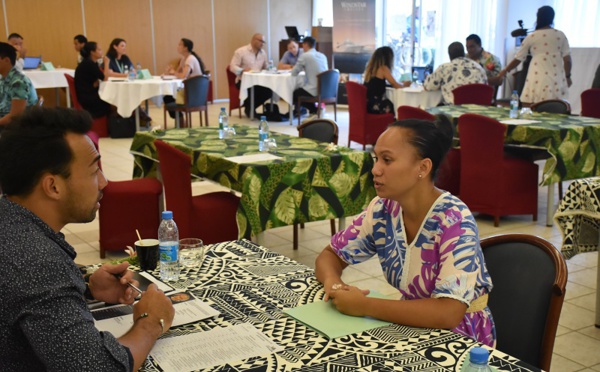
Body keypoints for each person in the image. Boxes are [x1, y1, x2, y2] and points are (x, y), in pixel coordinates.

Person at [0, 107, 175, 371]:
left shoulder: (11, 222)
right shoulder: (37, 260)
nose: (104, 182)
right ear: (53, 186)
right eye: (94, 171)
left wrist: (87, 287)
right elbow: (98, 367)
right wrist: (151, 323)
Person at [315, 116, 496, 347]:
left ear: (423, 167)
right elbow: (330, 255)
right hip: (410, 325)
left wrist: (365, 306)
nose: (376, 170)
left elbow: (449, 313)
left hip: (460, 338)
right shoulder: (383, 210)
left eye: (387, 160)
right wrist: (333, 283)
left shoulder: (453, 220)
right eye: (376, 158)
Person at [498, 6, 572, 104]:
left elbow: (518, 58)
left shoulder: (531, 37)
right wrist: (567, 76)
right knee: (556, 107)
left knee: (531, 106)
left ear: (538, 18)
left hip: (537, 76)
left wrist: (505, 70)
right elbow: (567, 60)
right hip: (556, 78)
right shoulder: (560, 35)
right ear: (552, 17)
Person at [229, 33, 272, 118]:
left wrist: (269, 67)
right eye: (261, 41)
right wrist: (242, 70)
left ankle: (250, 108)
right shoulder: (241, 51)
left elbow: (265, 66)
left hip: (259, 81)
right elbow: (232, 66)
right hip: (243, 80)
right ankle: (250, 109)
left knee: (269, 91)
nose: (262, 44)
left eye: (264, 42)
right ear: (253, 40)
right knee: (253, 89)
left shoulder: (263, 53)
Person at [163, 38, 206, 120]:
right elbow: (177, 73)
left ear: (185, 48)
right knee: (168, 97)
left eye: (180, 45)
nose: (177, 46)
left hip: (193, 93)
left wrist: (173, 72)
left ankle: (181, 121)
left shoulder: (190, 59)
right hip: (188, 90)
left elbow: (183, 76)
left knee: (168, 98)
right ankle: (180, 121)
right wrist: (170, 71)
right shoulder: (184, 58)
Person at [0, 42, 37, 127]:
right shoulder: (3, 79)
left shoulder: (18, 82)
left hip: (17, 128)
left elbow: (15, 117)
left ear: (6, 60)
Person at [291, 36, 328, 119]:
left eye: (302, 45)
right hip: (326, 90)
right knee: (302, 90)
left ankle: (315, 110)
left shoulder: (305, 56)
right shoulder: (323, 56)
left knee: (294, 93)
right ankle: (315, 110)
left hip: (314, 89)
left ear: (306, 44)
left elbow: (294, 72)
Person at [75, 41, 111, 118]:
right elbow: (105, 78)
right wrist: (107, 63)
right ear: (92, 52)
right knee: (112, 102)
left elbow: (95, 80)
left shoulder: (90, 63)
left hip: (87, 95)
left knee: (112, 100)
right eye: (99, 49)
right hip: (88, 99)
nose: (101, 51)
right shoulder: (89, 64)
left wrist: (95, 83)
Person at [363, 46, 403, 114]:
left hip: (367, 104)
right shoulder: (383, 68)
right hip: (375, 105)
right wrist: (406, 86)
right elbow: (395, 84)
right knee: (394, 105)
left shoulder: (371, 69)